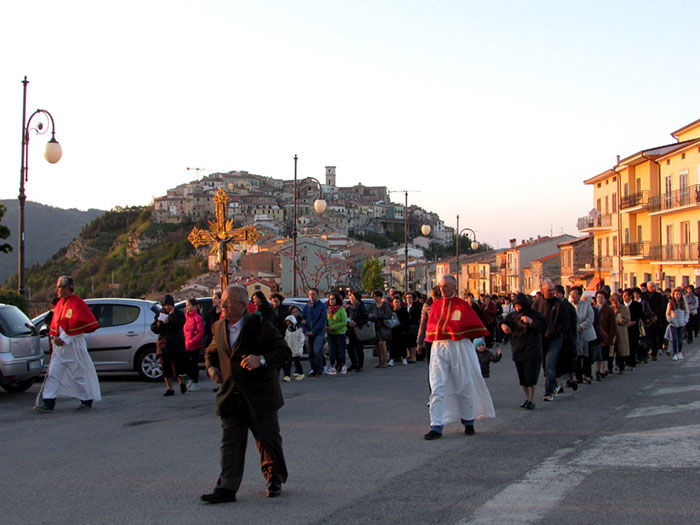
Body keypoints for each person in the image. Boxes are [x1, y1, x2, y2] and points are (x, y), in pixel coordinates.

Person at [201, 284, 292, 504]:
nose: (223, 305)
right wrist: (212, 368)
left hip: (259, 395)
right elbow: (211, 352)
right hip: (231, 396)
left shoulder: (260, 326)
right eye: (222, 300)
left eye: (229, 302)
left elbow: (283, 351)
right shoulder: (218, 327)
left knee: (267, 440)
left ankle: (274, 478)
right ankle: (227, 487)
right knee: (230, 442)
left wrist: (260, 360)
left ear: (243, 306)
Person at [423, 275, 495, 440]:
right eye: (441, 286)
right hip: (439, 346)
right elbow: (431, 327)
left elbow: (473, 325)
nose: (443, 289)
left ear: (454, 287)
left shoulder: (462, 306)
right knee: (436, 386)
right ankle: (436, 424)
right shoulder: (435, 306)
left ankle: (468, 420)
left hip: (459, 346)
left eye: (446, 286)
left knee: (464, 383)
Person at [34, 276, 101, 413]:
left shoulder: (78, 304)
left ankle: (86, 400)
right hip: (59, 348)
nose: (57, 290)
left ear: (67, 288)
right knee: (53, 373)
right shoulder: (59, 304)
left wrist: (63, 339)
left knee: (78, 374)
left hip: (72, 347)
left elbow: (78, 325)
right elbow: (55, 325)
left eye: (60, 288)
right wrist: (54, 338)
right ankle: (48, 401)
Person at [501, 293, 545, 410]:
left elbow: (542, 327)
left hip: (532, 349)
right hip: (518, 348)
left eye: (519, 305)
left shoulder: (534, 315)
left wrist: (531, 322)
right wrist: (504, 326)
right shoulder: (513, 316)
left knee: (531, 375)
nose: (517, 308)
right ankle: (527, 398)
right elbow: (503, 322)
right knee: (522, 377)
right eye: (515, 305)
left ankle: (531, 399)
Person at [533, 280, 571, 402]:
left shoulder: (559, 304)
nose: (550, 292)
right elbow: (532, 317)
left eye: (552, 290)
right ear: (542, 290)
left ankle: (548, 392)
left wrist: (557, 331)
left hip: (555, 338)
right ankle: (554, 385)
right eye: (548, 290)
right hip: (541, 338)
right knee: (545, 365)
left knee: (550, 364)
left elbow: (566, 321)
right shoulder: (537, 303)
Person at [151, 294, 188, 396]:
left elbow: (180, 323)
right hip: (163, 346)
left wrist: (171, 316)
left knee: (179, 369)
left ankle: (182, 382)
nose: (167, 307)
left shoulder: (179, 314)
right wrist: (161, 323)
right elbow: (154, 328)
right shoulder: (159, 314)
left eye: (169, 305)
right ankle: (170, 388)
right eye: (166, 305)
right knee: (166, 369)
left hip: (177, 345)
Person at [569, 286, 596, 384]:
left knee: (586, 355)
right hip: (575, 335)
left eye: (574, 294)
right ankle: (578, 376)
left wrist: (582, 326)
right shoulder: (570, 306)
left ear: (579, 295)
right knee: (577, 356)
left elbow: (590, 318)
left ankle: (588, 375)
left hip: (586, 334)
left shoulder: (586, 305)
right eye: (571, 294)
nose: (572, 296)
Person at [301, 288, 327, 377]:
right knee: (310, 352)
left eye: (313, 294)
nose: (311, 296)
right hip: (308, 332)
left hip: (318, 332)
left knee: (317, 351)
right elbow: (303, 320)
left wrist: (314, 331)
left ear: (317, 295)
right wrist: (306, 331)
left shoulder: (322, 306)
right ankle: (314, 369)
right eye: (310, 294)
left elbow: (322, 321)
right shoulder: (306, 306)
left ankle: (320, 369)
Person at [183, 297, 205, 391]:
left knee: (194, 364)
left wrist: (192, 341)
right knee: (187, 364)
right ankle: (190, 380)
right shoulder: (185, 317)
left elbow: (201, 332)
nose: (187, 307)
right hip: (186, 345)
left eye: (189, 305)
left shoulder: (197, 318)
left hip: (194, 345)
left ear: (195, 307)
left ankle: (195, 382)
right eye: (186, 306)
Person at [368, 290, 393, 368]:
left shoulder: (385, 305)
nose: (376, 298)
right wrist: (371, 317)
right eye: (374, 297)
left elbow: (389, 315)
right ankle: (380, 360)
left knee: (382, 343)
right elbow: (368, 314)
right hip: (375, 326)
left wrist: (379, 316)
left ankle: (384, 360)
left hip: (384, 326)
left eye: (377, 297)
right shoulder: (373, 306)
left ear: (380, 297)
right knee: (377, 345)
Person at [595, 290, 616, 380]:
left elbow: (613, 324)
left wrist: (610, 335)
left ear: (605, 299)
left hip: (605, 335)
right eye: (598, 297)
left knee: (604, 354)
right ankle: (597, 370)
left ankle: (603, 370)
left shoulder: (609, 310)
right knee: (596, 354)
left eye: (602, 297)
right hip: (596, 335)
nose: (600, 299)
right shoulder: (593, 308)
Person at [346, 290, 368, 372]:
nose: (351, 298)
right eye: (350, 297)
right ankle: (353, 363)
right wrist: (348, 323)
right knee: (349, 348)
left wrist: (357, 323)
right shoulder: (348, 307)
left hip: (358, 330)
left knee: (359, 348)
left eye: (353, 297)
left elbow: (366, 319)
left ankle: (360, 365)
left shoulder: (361, 307)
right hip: (349, 330)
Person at [326, 292, 348, 374]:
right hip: (331, 333)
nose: (331, 301)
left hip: (340, 333)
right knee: (331, 350)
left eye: (333, 299)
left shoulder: (341, 310)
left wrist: (332, 327)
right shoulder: (328, 310)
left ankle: (343, 365)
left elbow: (344, 322)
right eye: (330, 299)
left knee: (340, 350)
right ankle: (332, 366)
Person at [666, 287, 689, 360]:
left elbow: (687, 312)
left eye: (679, 294)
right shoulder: (670, 303)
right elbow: (668, 313)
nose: (677, 296)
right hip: (674, 324)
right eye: (676, 294)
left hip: (682, 323)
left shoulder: (683, 303)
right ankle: (675, 353)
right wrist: (670, 320)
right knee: (675, 339)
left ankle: (679, 352)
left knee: (680, 339)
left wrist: (685, 320)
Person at [610, 293, 630, 374]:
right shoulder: (609, 309)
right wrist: (614, 314)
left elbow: (627, 320)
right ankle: (609, 368)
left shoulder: (624, 308)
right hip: (612, 332)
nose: (615, 304)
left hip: (621, 331)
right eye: (613, 302)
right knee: (611, 351)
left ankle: (621, 367)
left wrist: (621, 320)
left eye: (616, 301)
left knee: (620, 351)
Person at [282, 311, 305, 382]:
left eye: (289, 322)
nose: (288, 323)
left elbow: (301, 338)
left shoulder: (298, 330)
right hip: (289, 349)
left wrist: (299, 346)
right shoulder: (288, 330)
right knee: (288, 362)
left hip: (296, 349)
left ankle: (301, 373)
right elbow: (286, 338)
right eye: (287, 322)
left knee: (297, 362)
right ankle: (287, 375)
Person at [388, 296, 409, 366]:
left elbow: (406, 321)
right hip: (393, 330)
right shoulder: (391, 311)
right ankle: (392, 359)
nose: (396, 304)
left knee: (402, 344)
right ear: (392, 303)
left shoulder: (403, 310)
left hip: (401, 330)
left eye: (398, 302)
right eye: (395, 302)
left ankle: (404, 358)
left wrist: (405, 330)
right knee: (393, 345)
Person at [405, 292, 421, 363]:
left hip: (413, 326)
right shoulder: (406, 306)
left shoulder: (415, 306)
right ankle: (410, 356)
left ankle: (413, 357)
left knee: (413, 342)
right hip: (407, 326)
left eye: (410, 297)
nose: (408, 299)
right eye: (407, 298)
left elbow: (417, 316)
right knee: (408, 342)